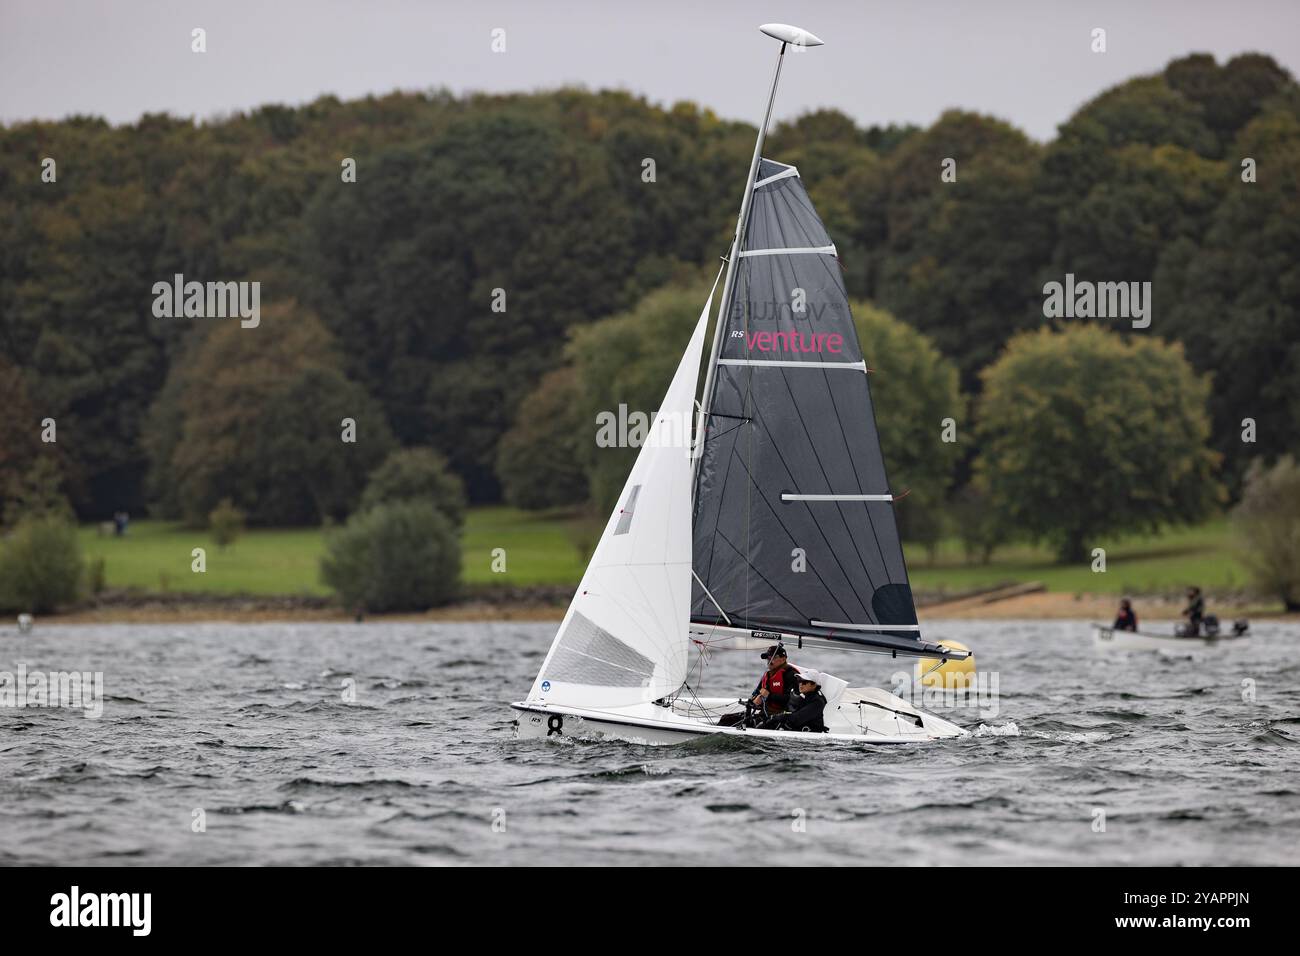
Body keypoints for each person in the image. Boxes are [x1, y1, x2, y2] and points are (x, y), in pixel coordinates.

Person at [761, 670, 828, 733]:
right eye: (799, 681)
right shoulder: (805, 695)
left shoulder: (817, 702)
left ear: (813, 685)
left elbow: (796, 719)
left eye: (804, 682)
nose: (801, 684)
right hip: (798, 732)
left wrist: (777, 717)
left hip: (808, 738)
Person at [749, 644, 800, 720]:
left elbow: (793, 700)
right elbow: (757, 692)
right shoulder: (767, 675)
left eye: (773, 658)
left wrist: (769, 696)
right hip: (765, 713)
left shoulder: (791, 675)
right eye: (768, 658)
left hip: (781, 716)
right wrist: (754, 700)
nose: (769, 661)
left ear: (783, 659)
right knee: (729, 719)